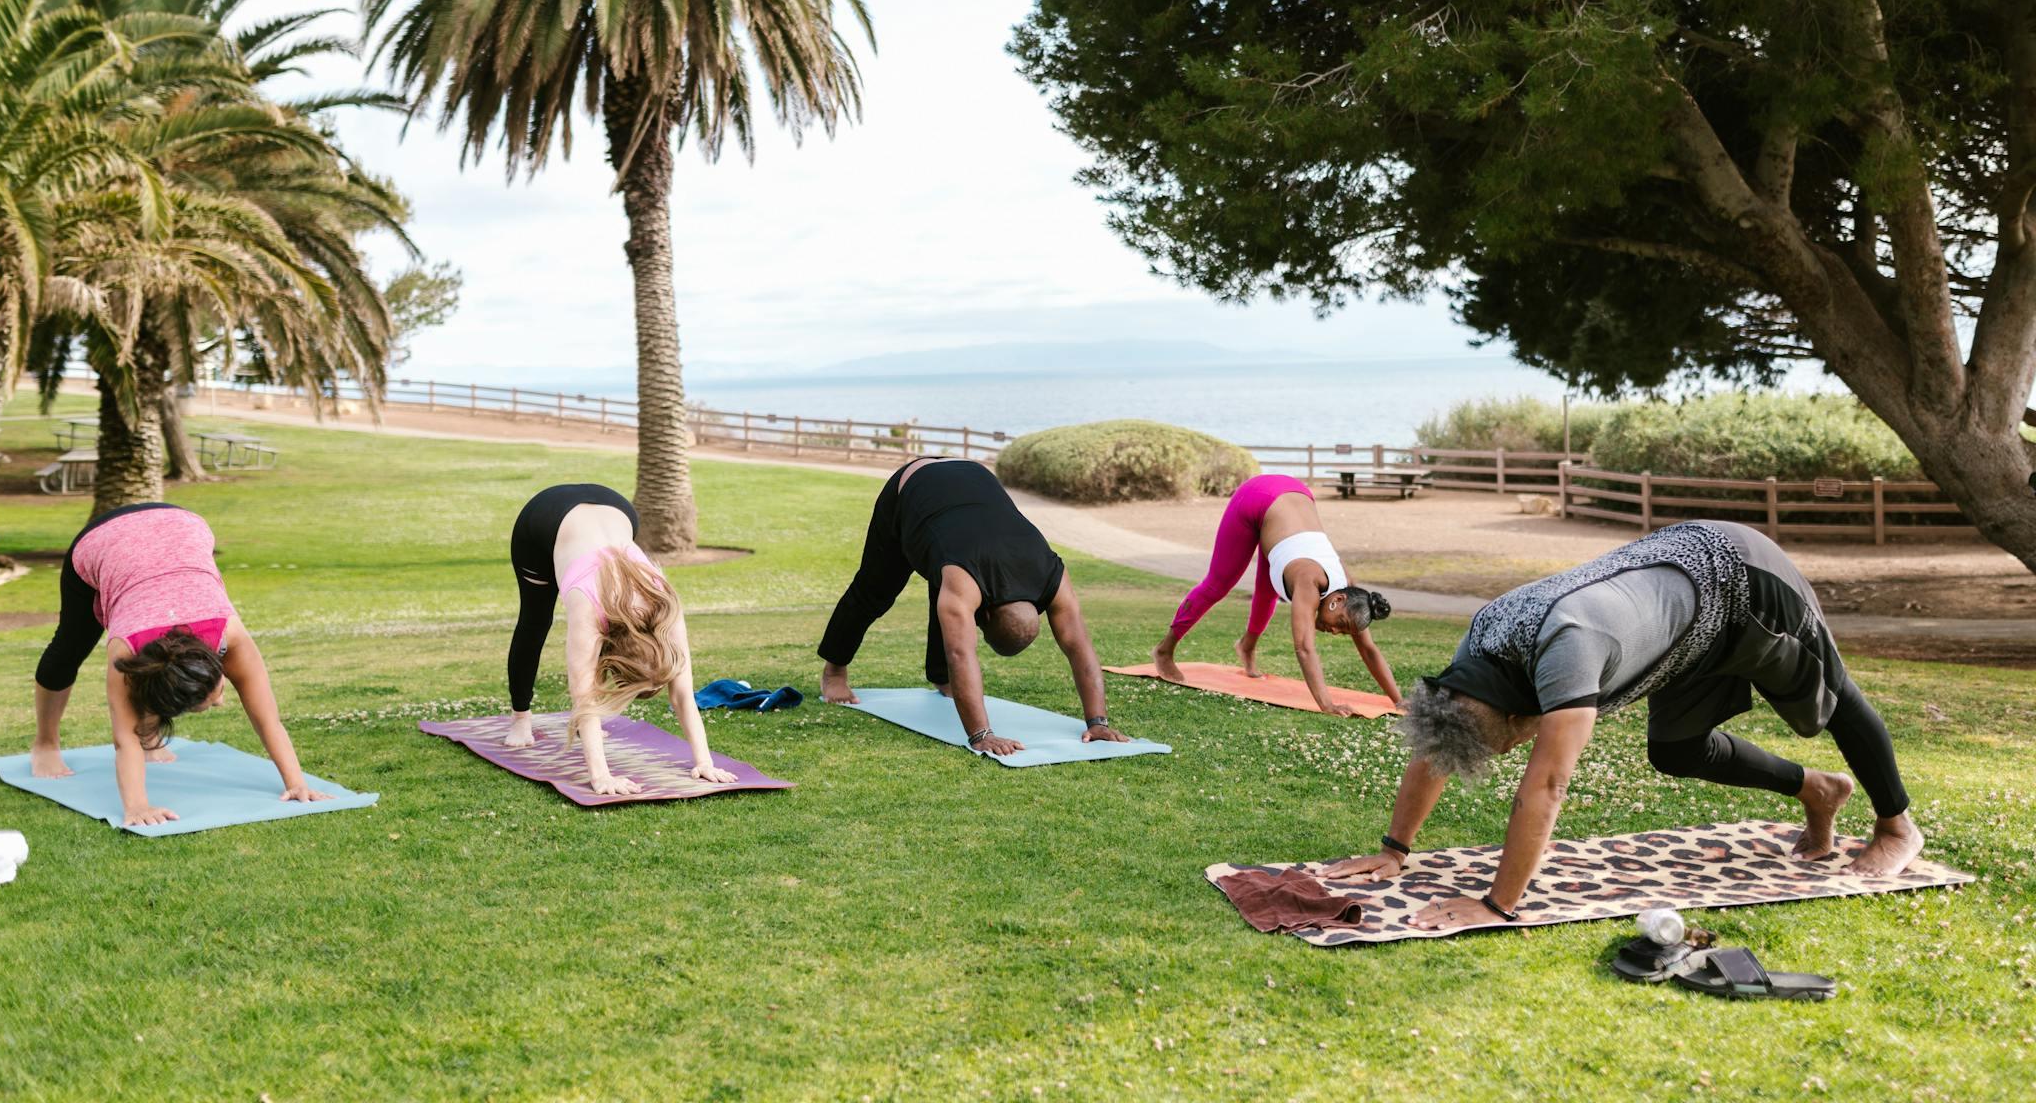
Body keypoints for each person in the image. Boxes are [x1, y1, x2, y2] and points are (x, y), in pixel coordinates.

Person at [1324, 520, 1924, 931]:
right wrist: (1395, 850)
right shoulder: (1479, 645)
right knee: (1677, 749)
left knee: (1833, 696)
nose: (1510, 754)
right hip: (1685, 623)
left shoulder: (1569, 651)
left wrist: (1497, 904)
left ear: (1517, 715)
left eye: (1503, 745)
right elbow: (1439, 743)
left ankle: (1897, 828)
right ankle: (1818, 789)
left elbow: (1549, 785)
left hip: (1744, 579)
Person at [28, 503, 336, 828]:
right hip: (104, 540)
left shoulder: (230, 634)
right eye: (214, 699)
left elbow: (268, 719)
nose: (220, 702)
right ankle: (45, 744)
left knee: (182, 684)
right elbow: (124, 739)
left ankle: (156, 737)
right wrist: (136, 806)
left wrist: (296, 782)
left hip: (180, 525)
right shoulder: (126, 650)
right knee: (69, 648)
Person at [817, 457, 1131, 756]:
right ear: (989, 613)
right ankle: (834, 672)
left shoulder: (1053, 578)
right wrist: (982, 734)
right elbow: (960, 652)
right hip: (913, 487)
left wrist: (1098, 723)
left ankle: (941, 679)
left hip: (971, 479)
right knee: (875, 590)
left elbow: (1080, 647)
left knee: (948, 585)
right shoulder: (967, 581)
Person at [502, 483, 734, 795]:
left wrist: (705, 761)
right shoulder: (589, 609)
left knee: (576, 641)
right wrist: (601, 776)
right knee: (535, 620)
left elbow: (682, 695)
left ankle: (581, 731)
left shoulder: (665, 606)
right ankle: (520, 718)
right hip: (543, 518)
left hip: (617, 509)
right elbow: (584, 697)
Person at [1150, 474, 1402, 713]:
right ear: (1337, 600)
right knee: (1219, 584)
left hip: (1293, 500)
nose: (1335, 632)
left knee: (1269, 588)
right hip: (1257, 498)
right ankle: (1164, 650)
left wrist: (1399, 700)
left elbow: (1369, 649)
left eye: (1343, 632)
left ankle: (1246, 646)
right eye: (1341, 626)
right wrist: (1327, 704)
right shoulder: (1309, 579)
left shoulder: (1353, 595)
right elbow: (1304, 647)